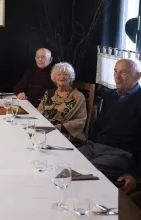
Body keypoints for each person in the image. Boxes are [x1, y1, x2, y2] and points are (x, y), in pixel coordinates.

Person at [78, 58, 141, 193]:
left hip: (121, 153)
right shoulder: (110, 96)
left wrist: (135, 174)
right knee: (64, 162)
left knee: (83, 175)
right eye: (115, 71)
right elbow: (98, 125)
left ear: (137, 76)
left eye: (123, 72)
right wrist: (90, 143)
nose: (116, 77)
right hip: (95, 147)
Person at [38, 62, 86, 141]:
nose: (62, 77)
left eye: (65, 74)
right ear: (54, 77)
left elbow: (80, 122)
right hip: (46, 130)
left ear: (70, 77)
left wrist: (58, 127)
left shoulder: (78, 96)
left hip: (66, 134)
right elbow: (39, 112)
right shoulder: (48, 93)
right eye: (58, 74)